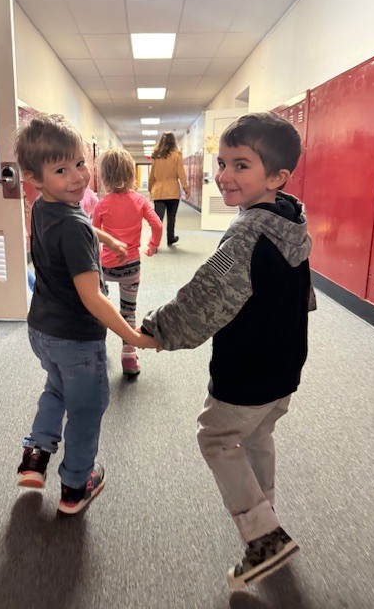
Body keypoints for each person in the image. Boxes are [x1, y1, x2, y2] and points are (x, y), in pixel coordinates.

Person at [140, 112, 316, 589]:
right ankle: (266, 513)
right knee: (256, 437)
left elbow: (208, 294)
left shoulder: (244, 234)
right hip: (284, 367)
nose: (223, 176)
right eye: (222, 163)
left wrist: (159, 330)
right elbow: (302, 293)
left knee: (216, 438)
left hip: (247, 371)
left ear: (277, 177)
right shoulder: (292, 221)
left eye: (241, 165)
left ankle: (264, 537)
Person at [14, 114, 156, 514]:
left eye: (80, 163)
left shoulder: (44, 206)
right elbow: (92, 297)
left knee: (56, 388)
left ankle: (36, 455)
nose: (77, 176)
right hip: (76, 338)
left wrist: (106, 234)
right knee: (86, 408)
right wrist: (133, 334)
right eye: (62, 169)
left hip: (41, 329)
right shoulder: (74, 224)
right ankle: (76, 485)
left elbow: (74, 225)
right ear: (34, 178)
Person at [92, 147, 163, 376]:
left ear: (104, 177)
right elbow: (158, 225)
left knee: (101, 309)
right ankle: (129, 358)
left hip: (105, 266)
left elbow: (92, 233)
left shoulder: (102, 204)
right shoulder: (140, 201)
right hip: (131, 265)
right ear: (132, 175)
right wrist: (152, 245)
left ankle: (97, 354)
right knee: (128, 311)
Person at [148, 131, 189, 246]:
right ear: (173, 141)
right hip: (173, 191)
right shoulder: (177, 155)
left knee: (157, 220)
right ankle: (170, 238)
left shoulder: (156, 155)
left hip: (159, 191)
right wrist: (186, 188)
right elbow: (181, 174)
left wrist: (151, 188)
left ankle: (154, 242)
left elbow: (152, 175)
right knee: (171, 218)